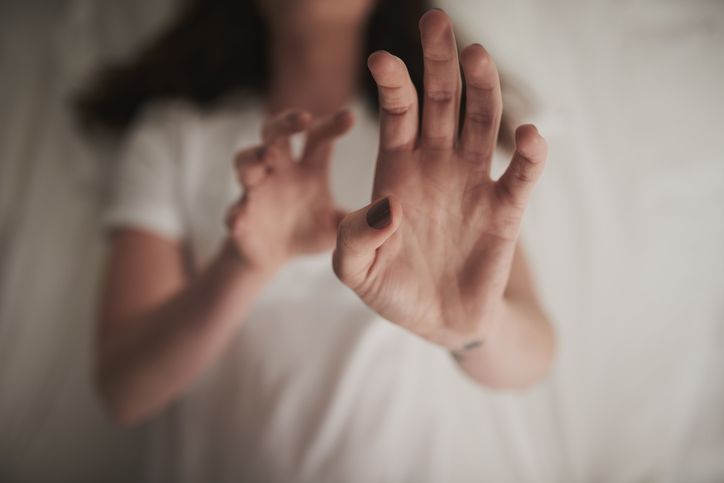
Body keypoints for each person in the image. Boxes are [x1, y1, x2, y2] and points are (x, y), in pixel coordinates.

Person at [79, 0, 555, 480]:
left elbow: (534, 356)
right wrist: (242, 266)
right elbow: (123, 391)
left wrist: (474, 328)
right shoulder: (176, 135)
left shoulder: (443, 148)